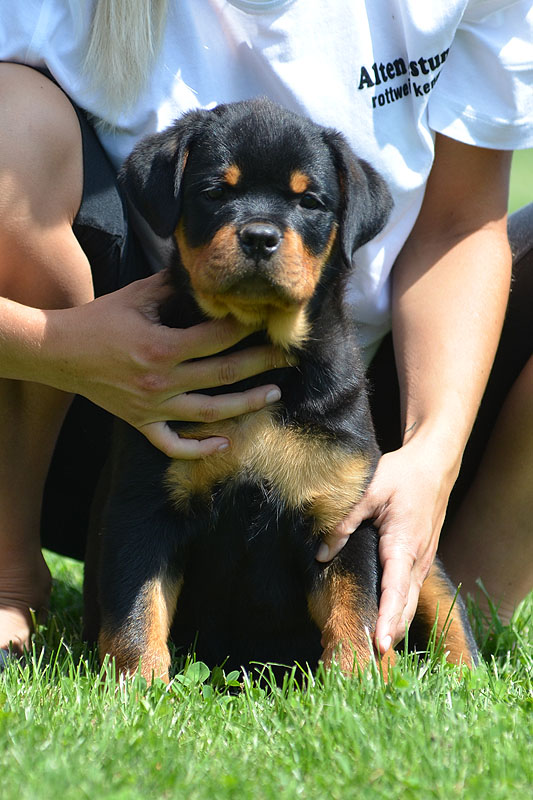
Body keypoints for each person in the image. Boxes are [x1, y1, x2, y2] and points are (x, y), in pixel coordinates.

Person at [0, 0, 532, 663]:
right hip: (111, 394)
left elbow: (462, 223)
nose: (260, 231)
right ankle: (8, 575)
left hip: (357, 380)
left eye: (305, 203)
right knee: (9, 116)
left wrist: (433, 454)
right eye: (221, 197)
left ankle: (455, 606)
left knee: (365, 567)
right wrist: (62, 348)